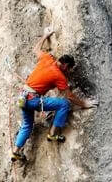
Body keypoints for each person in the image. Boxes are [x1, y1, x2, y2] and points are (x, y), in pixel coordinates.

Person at [11, 28, 98, 163]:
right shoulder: (59, 76)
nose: (69, 72)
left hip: (23, 97)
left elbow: (36, 48)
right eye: (69, 69)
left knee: (27, 125)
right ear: (65, 65)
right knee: (64, 104)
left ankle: (16, 152)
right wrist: (84, 104)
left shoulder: (47, 58)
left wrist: (46, 35)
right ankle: (53, 134)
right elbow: (69, 96)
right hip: (33, 99)